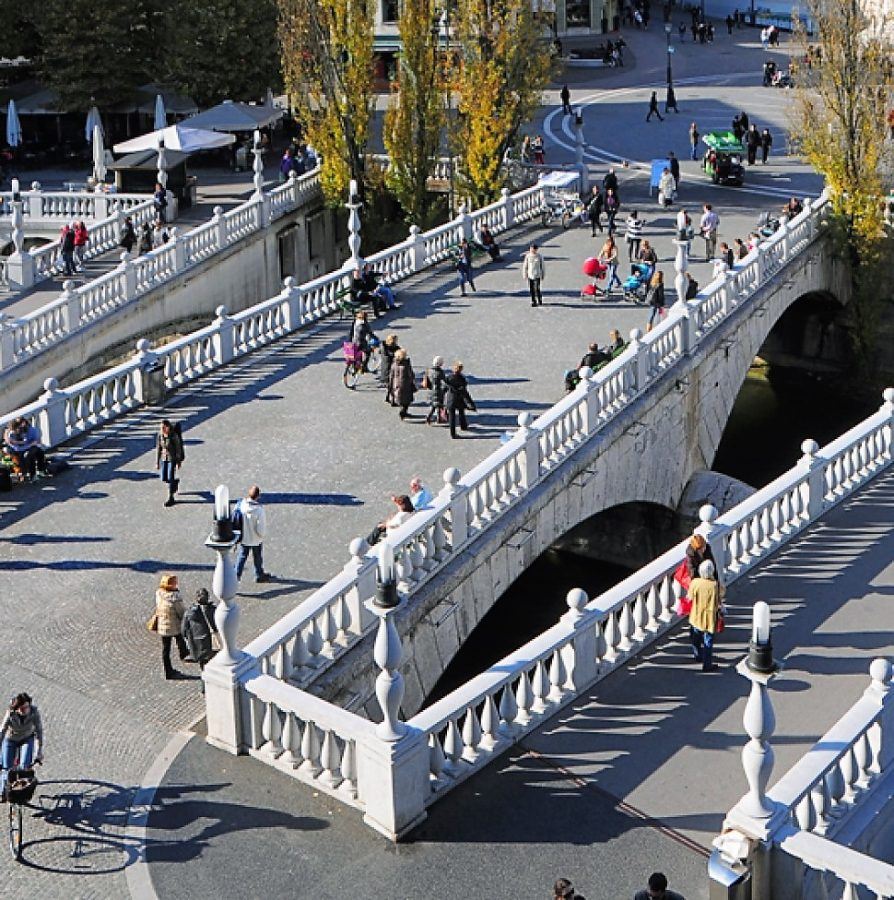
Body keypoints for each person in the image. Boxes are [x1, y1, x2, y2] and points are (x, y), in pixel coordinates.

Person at [0, 693, 44, 800]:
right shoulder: (10, 714)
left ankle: (24, 789)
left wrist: (38, 752)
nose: (24, 710)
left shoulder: (34, 712)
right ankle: (3, 791)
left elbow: (39, 732)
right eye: (21, 708)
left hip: (26, 738)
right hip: (10, 739)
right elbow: (2, 731)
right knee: (7, 768)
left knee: (25, 767)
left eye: (26, 707)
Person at [688, 559, 723, 673]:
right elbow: (721, 595)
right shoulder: (714, 585)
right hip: (709, 618)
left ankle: (697, 655)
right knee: (708, 642)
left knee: (695, 637)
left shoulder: (695, 582)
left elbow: (689, 597)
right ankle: (707, 665)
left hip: (696, 616)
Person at [155, 574, 189, 680]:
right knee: (179, 637)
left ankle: (168, 670)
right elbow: (182, 612)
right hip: (173, 625)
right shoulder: (175, 599)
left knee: (166, 649)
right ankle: (183, 655)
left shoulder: (159, 594)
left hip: (162, 625)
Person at [234, 485, 271, 582]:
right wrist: (261, 536)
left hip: (244, 537)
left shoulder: (241, 505)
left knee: (242, 556)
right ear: (258, 496)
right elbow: (261, 528)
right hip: (255, 539)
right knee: (257, 557)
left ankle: (236, 576)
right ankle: (259, 575)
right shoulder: (259, 510)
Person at [181, 588, 218, 677]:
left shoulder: (189, 612)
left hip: (198, 644)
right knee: (215, 663)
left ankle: (204, 685)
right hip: (213, 642)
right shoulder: (214, 610)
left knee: (203, 666)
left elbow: (183, 630)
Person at [4, 417, 48, 481]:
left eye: (18, 428)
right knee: (8, 455)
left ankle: (35, 473)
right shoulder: (11, 432)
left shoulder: (32, 430)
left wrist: (26, 444)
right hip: (18, 449)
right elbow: (14, 446)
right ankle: (18, 473)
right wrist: (17, 442)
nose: (16, 431)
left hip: (30, 447)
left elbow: (36, 442)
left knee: (31, 454)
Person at [155, 419, 185, 508]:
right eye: (161, 427)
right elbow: (159, 448)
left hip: (173, 458)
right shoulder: (160, 436)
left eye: (164, 427)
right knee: (164, 478)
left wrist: (178, 461)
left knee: (170, 477)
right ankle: (174, 483)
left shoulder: (173, 436)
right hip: (164, 458)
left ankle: (171, 497)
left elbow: (178, 449)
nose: (162, 429)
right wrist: (157, 461)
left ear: (168, 427)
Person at [444, 361, 477, 439]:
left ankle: (453, 433)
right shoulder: (462, 379)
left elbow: (444, 388)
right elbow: (465, 392)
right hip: (459, 399)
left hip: (450, 399)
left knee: (452, 417)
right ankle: (463, 426)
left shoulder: (449, 378)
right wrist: (471, 403)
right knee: (461, 412)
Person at [388, 348, 417, 419]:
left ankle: (403, 412)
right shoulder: (406, 365)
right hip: (405, 385)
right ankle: (403, 412)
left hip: (396, 385)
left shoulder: (394, 364)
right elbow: (411, 375)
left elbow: (391, 375)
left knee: (401, 399)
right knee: (407, 401)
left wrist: (391, 385)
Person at [424, 355, 448, 425]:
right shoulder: (440, 372)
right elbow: (445, 382)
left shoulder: (430, 371)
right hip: (438, 391)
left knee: (434, 406)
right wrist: (445, 389)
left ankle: (431, 418)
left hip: (431, 391)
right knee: (438, 406)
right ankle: (437, 419)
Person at [379, 333, 400, 398]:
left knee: (389, 384)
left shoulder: (383, 347)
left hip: (384, 371)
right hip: (390, 371)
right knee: (393, 384)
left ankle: (388, 395)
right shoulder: (395, 349)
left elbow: (379, 352)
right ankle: (391, 397)